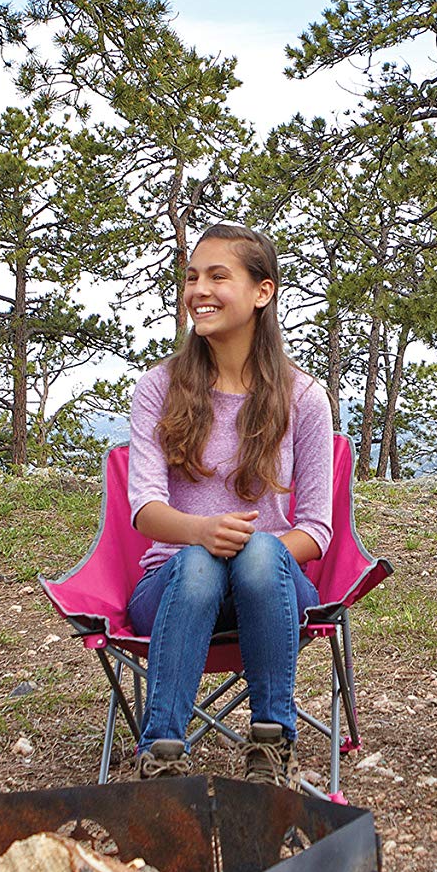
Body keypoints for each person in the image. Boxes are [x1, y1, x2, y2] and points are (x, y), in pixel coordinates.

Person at [125, 224, 336, 786]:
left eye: (219, 276)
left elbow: (316, 530)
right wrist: (202, 533)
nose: (199, 290)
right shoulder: (158, 388)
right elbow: (145, 507)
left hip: (269, 591)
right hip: (174, 589)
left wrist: (246, 548)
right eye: (192, 277)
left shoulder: (304, 398)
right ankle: (163, 757)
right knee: (196, 563)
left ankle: (271, 748)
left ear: (262, 293)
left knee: (262, 556)